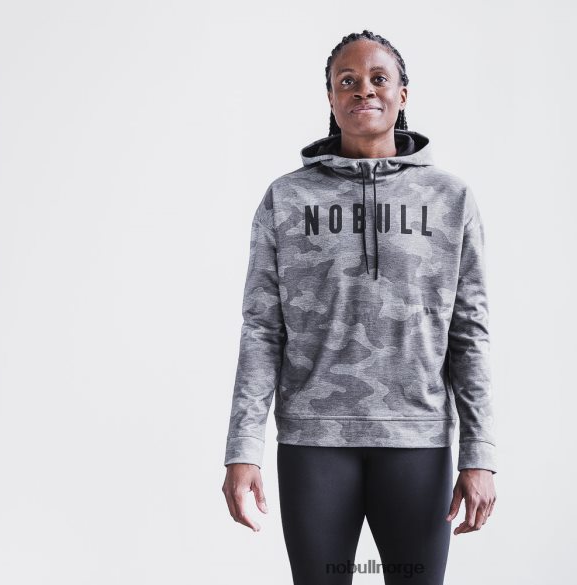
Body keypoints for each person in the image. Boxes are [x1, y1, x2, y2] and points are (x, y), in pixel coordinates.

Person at [221, 30, 497, 585]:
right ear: (330, 97)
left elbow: (469, 332)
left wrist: (479, 453)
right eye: (347, 81)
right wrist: (243, 447)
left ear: (402, 94)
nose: (363, 90)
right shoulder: (286, 198)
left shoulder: (452, 199)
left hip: (417, 439)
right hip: (313, 442)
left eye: (378, 78)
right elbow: (261, 330)